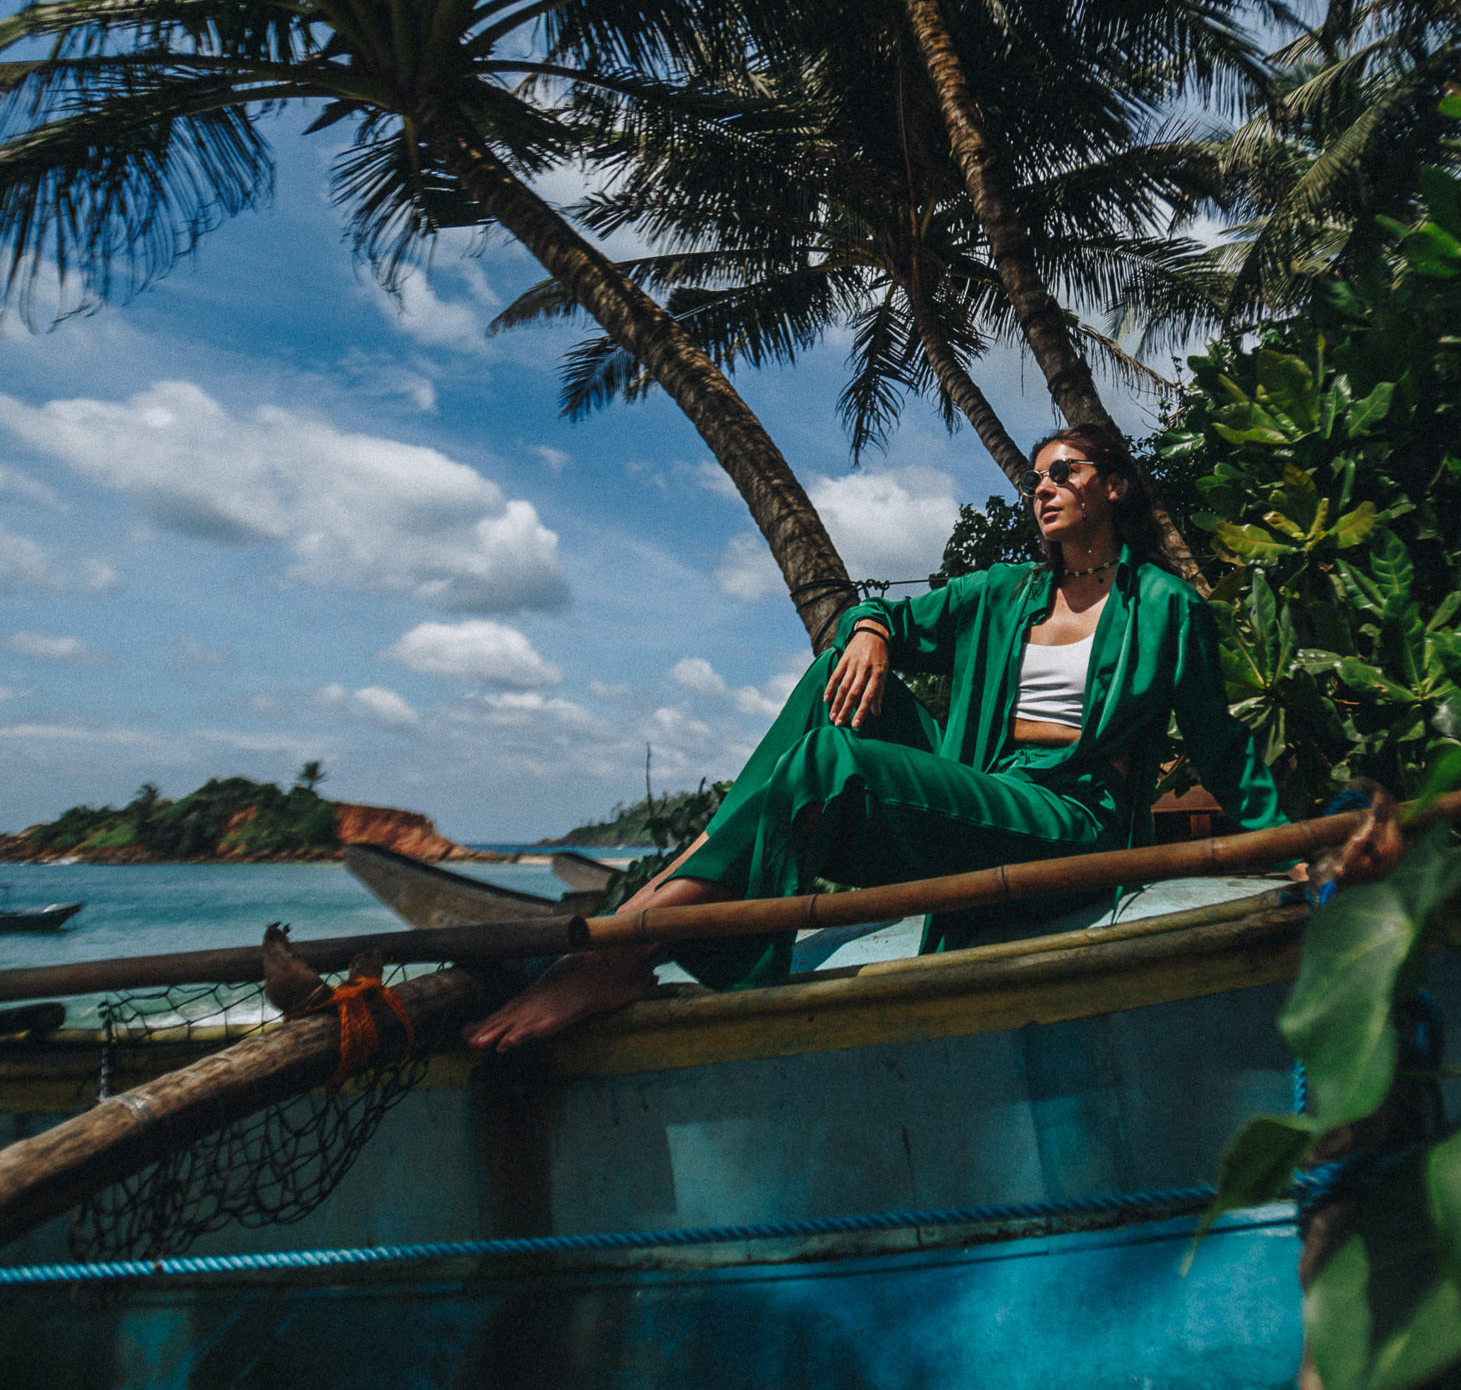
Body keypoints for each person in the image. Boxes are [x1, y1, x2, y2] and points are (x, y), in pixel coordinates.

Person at [462, 423, 1288, 1052]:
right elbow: (881, 610)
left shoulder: (1166, 608)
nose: (1041, 489)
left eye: (1062, 473)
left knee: (829, 762)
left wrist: (1285, 851)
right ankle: (651, 911)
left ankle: (623, 948)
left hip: (1068, 815)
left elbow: (1220, 747)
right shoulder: (1005, 592)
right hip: (986, 783)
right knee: (837, 676)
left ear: (1113, 486)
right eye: (1034, 478)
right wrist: (868, 630)